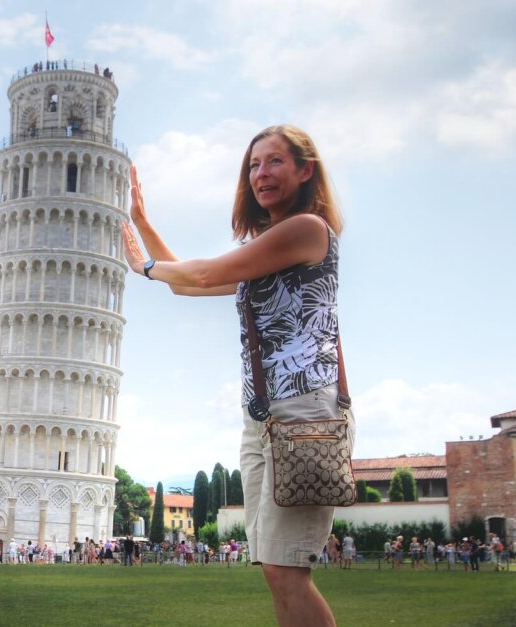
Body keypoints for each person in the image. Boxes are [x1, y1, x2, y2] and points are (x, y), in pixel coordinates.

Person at [123, 125, 353, 627]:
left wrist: (145, 266)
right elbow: (188, 283)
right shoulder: (268, 248)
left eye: (273, 162)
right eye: (253, 165)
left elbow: (200, 274)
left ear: (305, 170)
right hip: (265, 420)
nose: (261, 174)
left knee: (287, 569)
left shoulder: (306, 230)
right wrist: (143, 224)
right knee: (275, 569)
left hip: (305, 412)